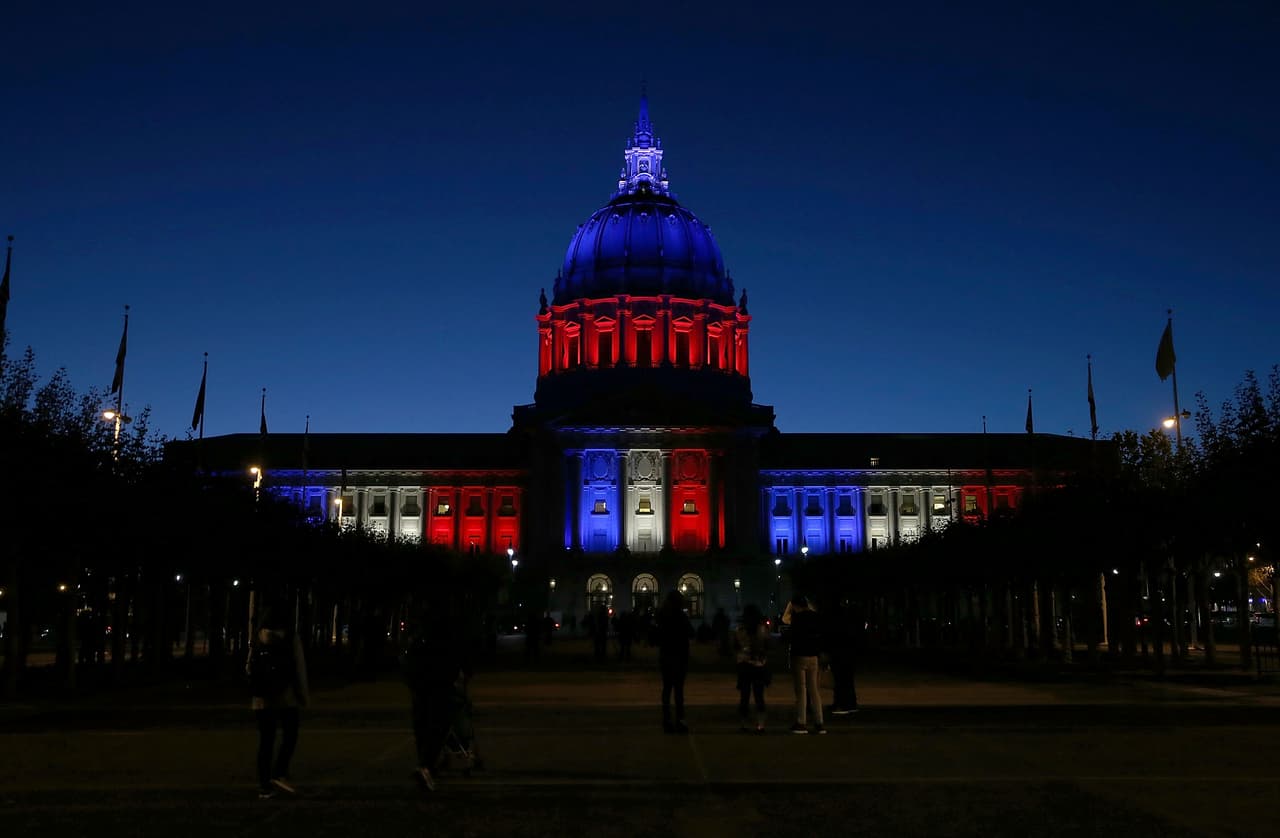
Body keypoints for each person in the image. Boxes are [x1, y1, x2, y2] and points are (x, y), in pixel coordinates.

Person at [401, 608, 472, 792]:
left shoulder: (421, 639)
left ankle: (426, 764)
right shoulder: (446, 640)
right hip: (439, 684)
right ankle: (426, 765)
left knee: (424, 725)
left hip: (422, 684)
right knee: (437, 726)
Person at [246, 605, 309, 798]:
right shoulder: (290, 637)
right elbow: (299, 668)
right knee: (290, 735)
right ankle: (280, 772)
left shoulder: (258, 637)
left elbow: (249, 667)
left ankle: (264, 785)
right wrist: (303, 696)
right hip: (286, 696)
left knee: (266, 741)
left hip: (262, 698)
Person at [784, 594, 825, 734]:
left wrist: (789, 609)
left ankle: (801, 722)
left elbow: (787, 623)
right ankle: (819, 722)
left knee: (801, 690)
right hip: (813, 656)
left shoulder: (797, 618)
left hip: (799, 655)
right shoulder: (815, 616)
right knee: (814, 690)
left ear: (795, 606)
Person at [656, 590, 695, 733]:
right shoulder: (681, 616)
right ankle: (680, 720)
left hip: (666, 655)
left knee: (666, 689)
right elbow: (691, 633)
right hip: (679, 655)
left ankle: (666, 720)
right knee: (679, 690)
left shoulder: (662, 616)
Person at [734, 604, 770, 733]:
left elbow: (735, 645)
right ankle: (760, 725)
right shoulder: (762, 629)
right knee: (759, 695)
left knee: (744, 695)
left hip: (744, 665)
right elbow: (767, 645)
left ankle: (743, 724)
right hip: (759, 665)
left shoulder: (740, 629)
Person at [826, 598, 862, 715]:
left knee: (841, 680)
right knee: (847, 680)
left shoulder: (837, 623)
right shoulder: (851, 621)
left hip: (841, 654)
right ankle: (849, 703)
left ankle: (841, 704)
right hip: (848, 654)